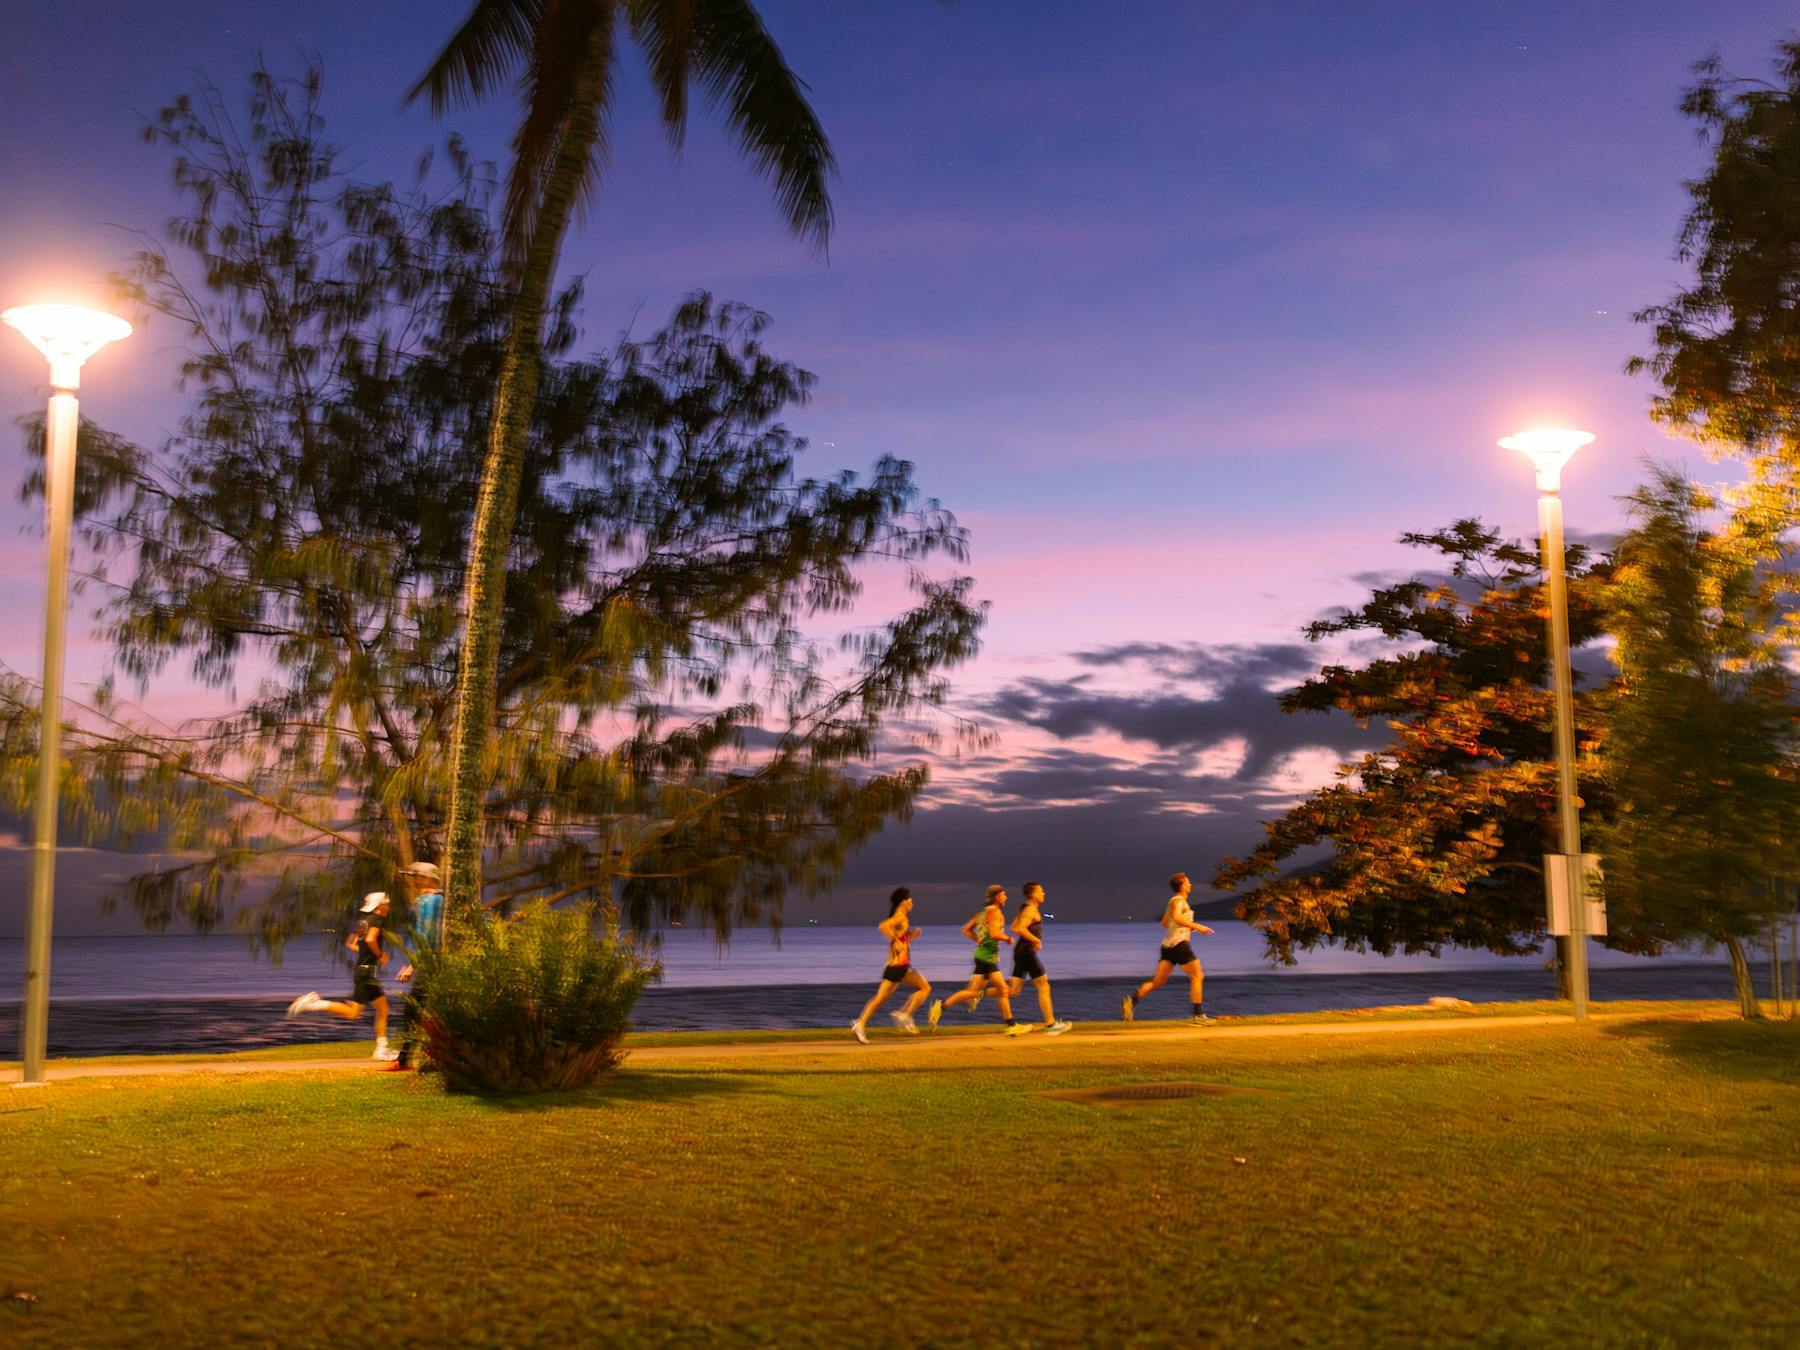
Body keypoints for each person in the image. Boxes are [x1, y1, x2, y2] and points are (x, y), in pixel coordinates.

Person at [285, 891, 400, 1059]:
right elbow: (370, 940)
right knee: (354, 1013)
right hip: (366, 972)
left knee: (382, 1009)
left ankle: (381, 1049)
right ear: (379, 905)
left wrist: (369, 953)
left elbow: (353, 945)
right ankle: (313, 1004)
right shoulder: (377, 920)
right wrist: (380, 955)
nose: (388, 907)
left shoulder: (363, 922)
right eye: (386, 904)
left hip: (363, 971)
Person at [929, 885, 1032, 1036]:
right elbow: (994, 933)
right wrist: (1007, 938)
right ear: (997, 897)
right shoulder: (995, 912)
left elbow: (965, 929)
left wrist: (978, 939)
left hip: (982, 956)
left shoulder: (982, 913)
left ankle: (941, 1006)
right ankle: (1011, 1025)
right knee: (1000, 990)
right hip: (987, 958)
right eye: (1004, 894)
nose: (1006, 897)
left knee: (976, 992)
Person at [1121, 872, 1215, 1025]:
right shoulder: (1179, 901)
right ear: (1182, 885)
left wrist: (1186, 927)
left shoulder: (1173, 901)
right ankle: (1198, 1015)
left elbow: (1165, 923)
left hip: (1167, 947)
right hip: (1179, 944)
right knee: (1197, 976)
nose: (1190, 884)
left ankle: (1131, 1000)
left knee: (1158, 982)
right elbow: (1176, 918)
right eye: (1188, 882)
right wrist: (1198, 926)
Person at [850, 887, 932, 1044]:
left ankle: (861, 1023)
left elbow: (900, 939)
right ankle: (903, 1015)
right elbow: (883, 926)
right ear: (903, 902)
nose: (912, 903)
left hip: (899, 966)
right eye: (910, 900)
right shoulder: (900, 917)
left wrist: (911, 936)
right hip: (898, 966)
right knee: (925, 988)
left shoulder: (902, 918)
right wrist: (894, 941)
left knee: (880, 999)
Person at [391, 860, 446, 1071]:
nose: (412, 881)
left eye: (415, 877)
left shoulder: (431, 901)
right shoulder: (431, 900)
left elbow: (429, 937)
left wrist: (413, 966)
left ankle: (406, 1059)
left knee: (414, 1009)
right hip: (430, 962)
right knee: (422, 1010)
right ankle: (410, 1058)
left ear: (426, 879)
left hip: (431, 964)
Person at [1007, 881, 1072, 1035]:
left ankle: (978, 994)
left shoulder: (1025, 908)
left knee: (1013, 991)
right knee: (1043, 985)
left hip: (1021, 952)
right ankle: (1050, 1024)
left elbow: (1014, 927)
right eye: (1040, 891)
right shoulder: (1030, 910)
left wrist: (1030, 938)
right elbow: (1020, 928)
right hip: (1027, 953)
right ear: (1033, 894)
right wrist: (1036, 940)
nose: (1044, 893)